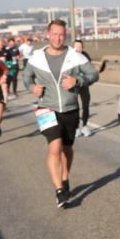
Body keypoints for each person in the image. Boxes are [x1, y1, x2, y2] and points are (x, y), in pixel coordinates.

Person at [23, 20, 100, 208]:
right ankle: (59, 191)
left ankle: (65, 178)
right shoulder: (36, 57)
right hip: (46, 108)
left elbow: (94, 74)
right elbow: (26, 77)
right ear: (48, 35)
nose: (58, 38)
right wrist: (32, 88)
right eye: (55, 34)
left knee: (67, 149)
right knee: (54, 148)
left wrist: (78, 81)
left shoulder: (75, 56)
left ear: (65, 35)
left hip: (70, 109)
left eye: (61, 34)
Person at [73, 40, 95, 137]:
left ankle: (85, 126)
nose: (78, 49)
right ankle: (76, 128)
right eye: (76, 47)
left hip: (84, 84)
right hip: (74, 85)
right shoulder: (69, 57)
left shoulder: (86, 56)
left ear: (82, 48)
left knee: (86, 105)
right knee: (75, 107)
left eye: (80, 47)